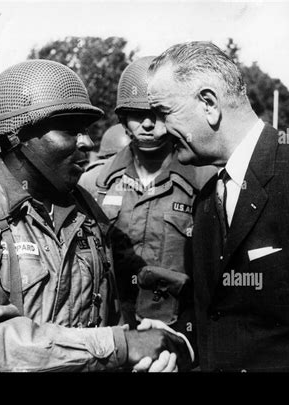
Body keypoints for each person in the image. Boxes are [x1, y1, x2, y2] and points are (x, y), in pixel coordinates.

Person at [0, 59, 192, 372]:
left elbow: (103, 310)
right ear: (18, 136)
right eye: (69, 130)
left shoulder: (84, 207)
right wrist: (119, 345)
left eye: (85, 130)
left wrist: (143, 344)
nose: (87, 142)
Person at [147, 41, 289, 371]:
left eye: (164, 113)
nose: (160, 130)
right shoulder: (207, 200)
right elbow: (217, 316)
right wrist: (177, 343)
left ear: (209, 103)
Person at [79, 57, 214, 348]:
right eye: (137, 114)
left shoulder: (205, 182)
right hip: (112, 336)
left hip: (181, 336)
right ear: (122, 119)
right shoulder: (94, 183)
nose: (149, 124)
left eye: (157, 113)